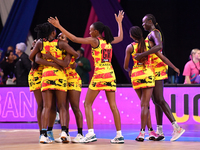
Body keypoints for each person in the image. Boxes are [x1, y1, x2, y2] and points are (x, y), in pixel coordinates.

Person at [48, 10, 125, 144]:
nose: (89, 32)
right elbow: (121, 38)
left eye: (91, 30)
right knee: (113, 105)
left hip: (100, 74)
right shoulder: (108, 41)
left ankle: (90, 133)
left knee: (87, 103)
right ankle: (119, 135)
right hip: (111, 74)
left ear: (96, 32)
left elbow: (74, 39)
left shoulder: (94, 41)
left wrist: (59, 26)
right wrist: (119, 23)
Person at [124, 26, 181, 142]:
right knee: (146, 104)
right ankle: (145, 131)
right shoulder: (149, 45)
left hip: (136, 76)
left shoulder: (129, 47)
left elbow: (125, 66)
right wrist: (174, 67)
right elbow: (162, 57)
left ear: (131, 36)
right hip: (148, 75)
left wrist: (130, 70)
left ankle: (147, 132)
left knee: (144, 105)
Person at [135, 14, 185, 141]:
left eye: (144, 22)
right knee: (156, 101)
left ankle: (177, 128)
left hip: (157, 69)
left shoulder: (154, 33)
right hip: (152, 69)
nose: (142, 25)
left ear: (150, 21)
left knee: (159, 99)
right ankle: (160, 131)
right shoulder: (151, 34)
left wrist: (142, 54)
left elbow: (159, 47)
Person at [30, 22, 79, 144]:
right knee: (62, 106)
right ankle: (63, 131)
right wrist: (59, 61)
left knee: (46, 106)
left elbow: (32, 57)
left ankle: (43, 134)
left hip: (46, 76)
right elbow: (75, 55)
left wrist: (44, 58)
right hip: (60, 76)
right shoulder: (61, 44)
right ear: (53, 32)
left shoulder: (40, 43)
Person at [46, 33, 84, 143]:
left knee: (75, 107)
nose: (59, 39)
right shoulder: (56, 49)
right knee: (64, 107)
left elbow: (66, 64)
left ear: (67, 41)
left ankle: (80, 134)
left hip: (72, 79)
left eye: (63, 37)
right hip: (61, 79)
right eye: (59, 37)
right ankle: (65, 133)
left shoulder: (69, 50)